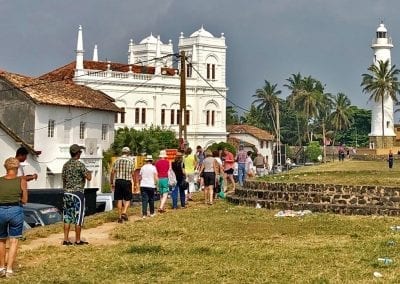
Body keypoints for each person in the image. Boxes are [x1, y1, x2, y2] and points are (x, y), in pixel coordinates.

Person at [0, 158, 27, 277]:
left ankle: (1, 268)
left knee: (1, 240)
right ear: (17, 168)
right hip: (16, 210)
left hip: (0, 211)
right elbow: (25, 200)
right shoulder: (21, 180)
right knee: (14, 240)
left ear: (5, 167)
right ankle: (9, 269)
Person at [62, 144, 92, 246]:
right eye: (80, 152)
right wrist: (89, 172)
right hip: (78, 193)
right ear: (77, 153)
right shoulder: (80, 165)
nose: (81, 154)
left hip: (67, 192)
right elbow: (88, 177)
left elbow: (64, 179)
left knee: (67, 216)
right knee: (78, 217)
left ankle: (65, 239)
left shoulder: (65, 165)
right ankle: (78, 240)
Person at [110, 146, 135, 223]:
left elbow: (112, 172)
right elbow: (133, 173)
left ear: (122, 152)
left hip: (118, 181)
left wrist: (111, 182)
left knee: (119, 199)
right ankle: (124, 212)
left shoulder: (116, 160)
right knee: (128, 198)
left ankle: (120, 217)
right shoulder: (131, 161)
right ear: (128, 153)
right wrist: (134, 182)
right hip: (127, 181)